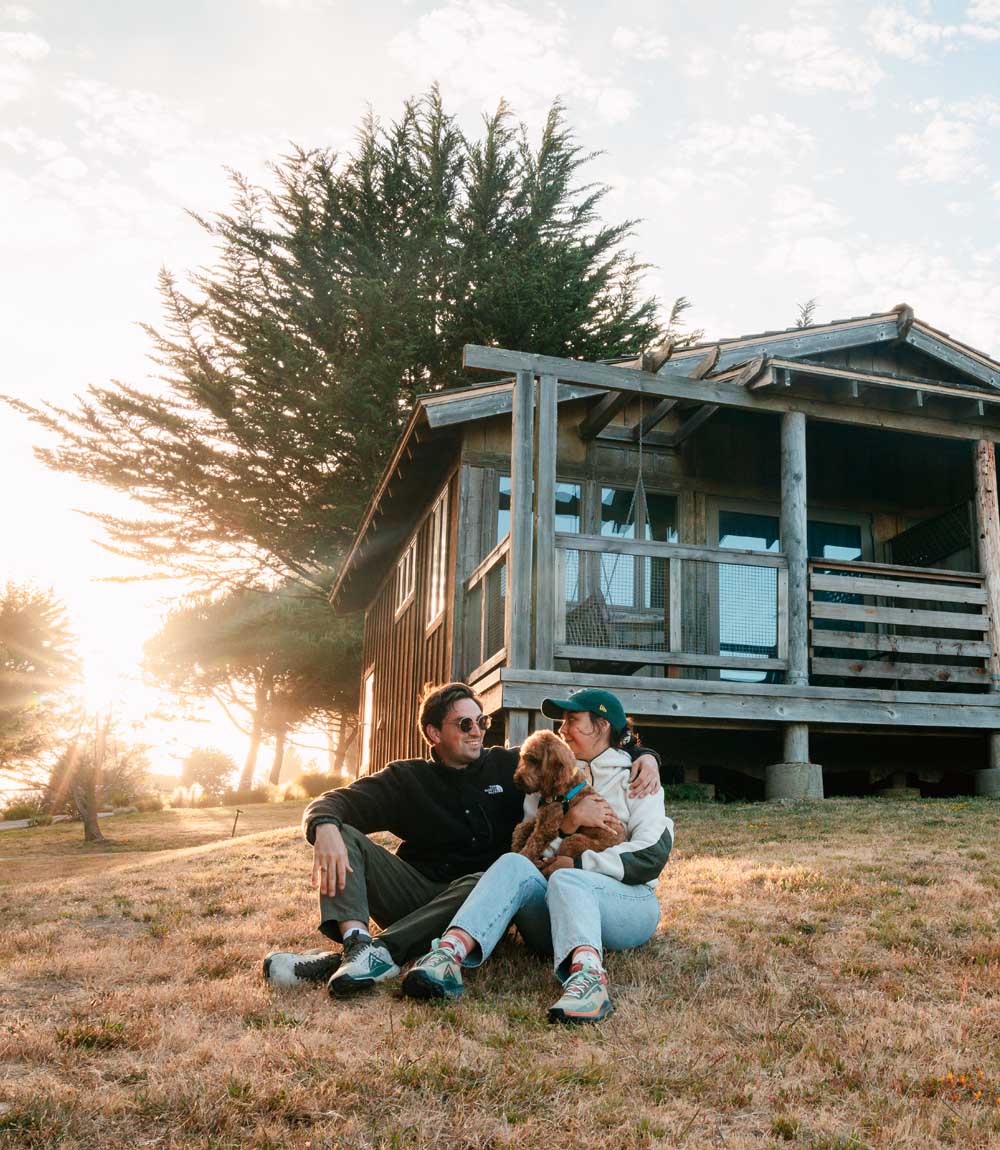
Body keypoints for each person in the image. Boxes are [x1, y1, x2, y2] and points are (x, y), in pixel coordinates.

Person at [263, 681, 661, 995]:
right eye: (465, 724)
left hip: (480, 903)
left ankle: (369, 954)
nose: (477, 732)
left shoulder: (509, 765)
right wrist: (325, 828)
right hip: (417, 894)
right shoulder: (406, 778)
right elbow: (335, 801)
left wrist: (641, 753)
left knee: (487, 876)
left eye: (482, 722)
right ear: (433, 733)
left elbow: (562, 754)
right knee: (341, 830)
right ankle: (356, 944)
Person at [400, 688, 672, 1024]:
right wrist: (568, 825)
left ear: (602, 726)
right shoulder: (544, 778)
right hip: (553, 915)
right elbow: (532, 855)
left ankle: (588, 979)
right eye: (561, 721)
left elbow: (653, 852)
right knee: (513, 862)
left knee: (569, 877)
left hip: (629, 908)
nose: (562, 729)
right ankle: (447, 955)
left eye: (572, 720)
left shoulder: (637, 776)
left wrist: (582, 862)